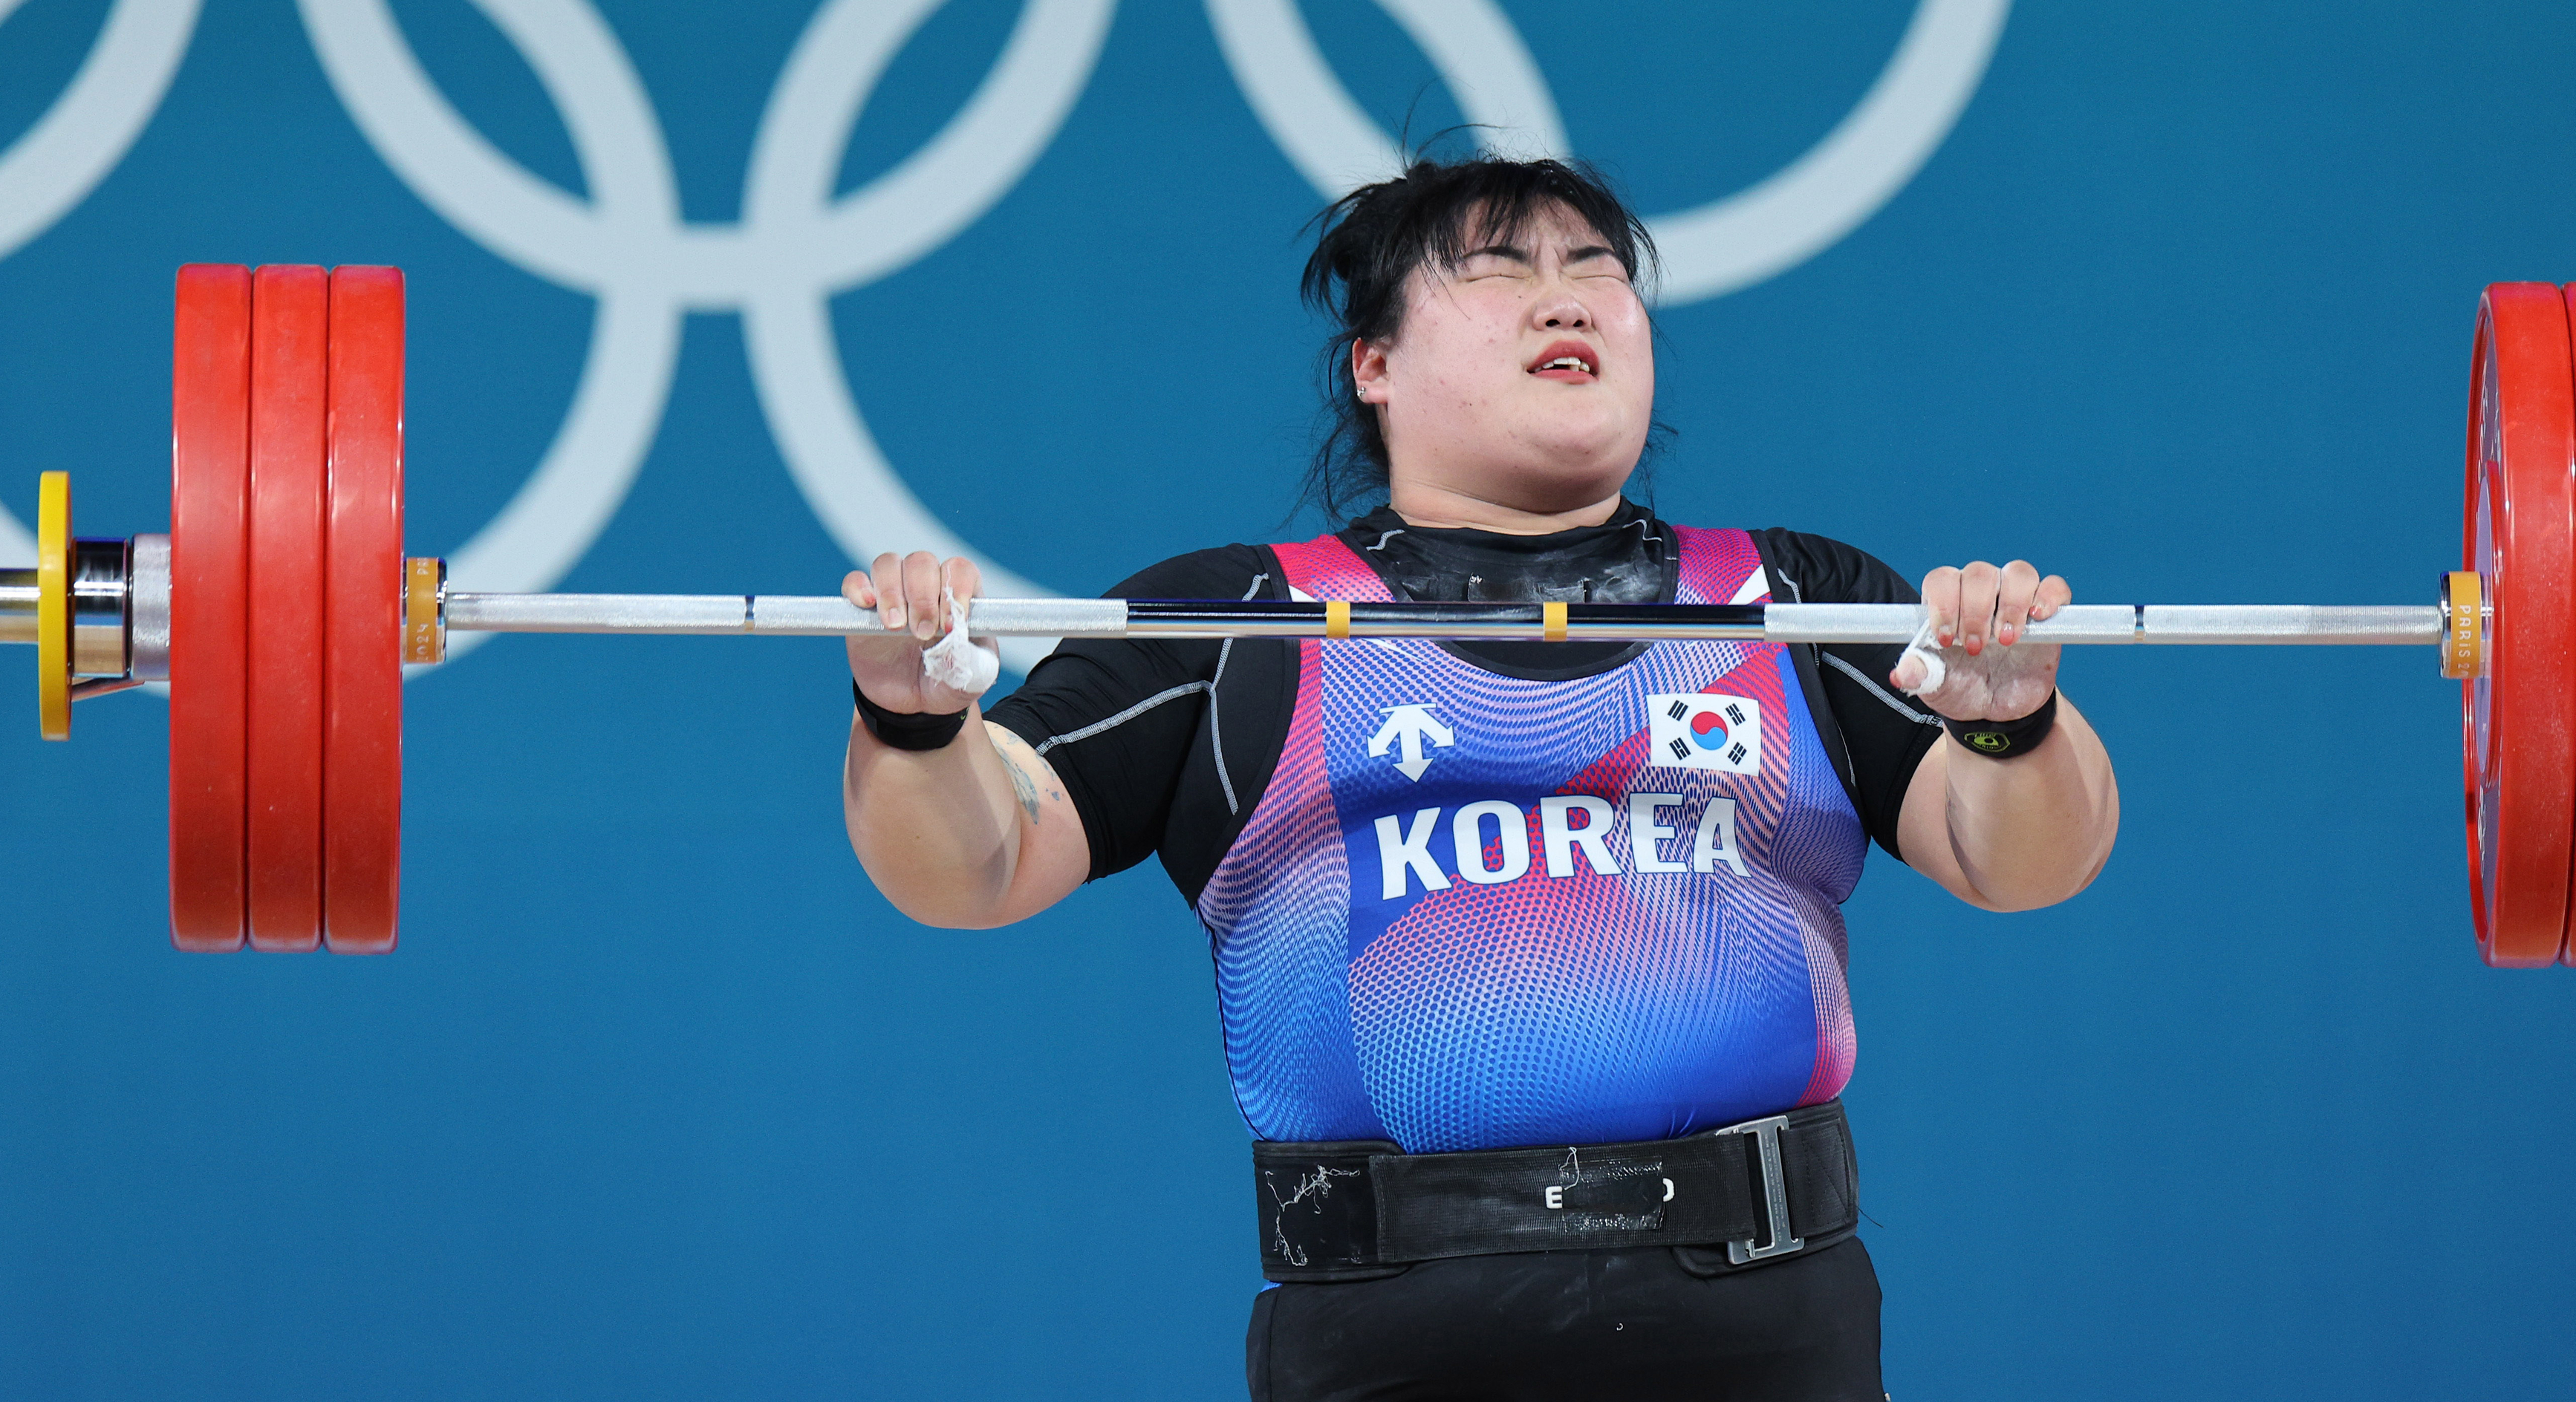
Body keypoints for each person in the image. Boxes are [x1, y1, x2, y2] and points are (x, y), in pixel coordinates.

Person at [839, 154, 2117, 1401]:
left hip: (1766, 1328)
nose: (1566, 299)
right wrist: (912, 720)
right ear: (1375, 364)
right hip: (1397, 1339)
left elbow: (2023, 860)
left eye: (1597, 270)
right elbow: (981, 862)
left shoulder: (1793, 603)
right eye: (1500, 269)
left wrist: (2014, 722)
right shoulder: (1239, 621)